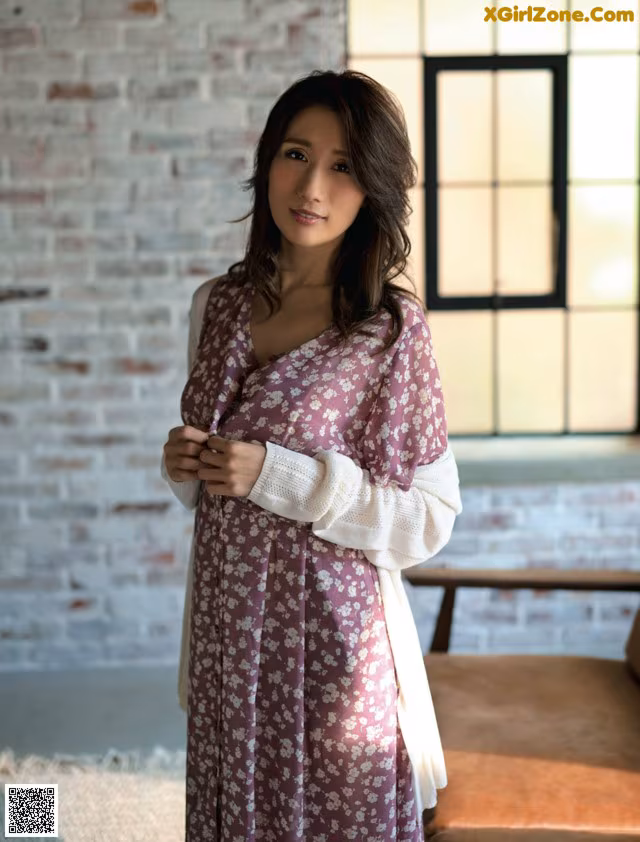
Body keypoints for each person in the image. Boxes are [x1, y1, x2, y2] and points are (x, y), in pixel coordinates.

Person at [161, 69, 463, 842]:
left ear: (374, 189)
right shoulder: (216, 305)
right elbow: (216, 488)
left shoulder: (390, 331)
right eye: (296, 154)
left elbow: (429, 519)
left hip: (338, 649)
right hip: (229, 637)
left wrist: (280, 476)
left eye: (343, 166)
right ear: (267, 160)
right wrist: (187, 466)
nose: (311, 187)